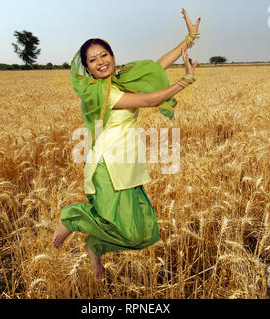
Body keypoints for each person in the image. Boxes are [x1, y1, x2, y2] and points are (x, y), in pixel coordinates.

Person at [53, 8, 201, 282]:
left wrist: (189, 40)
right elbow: (148, 101)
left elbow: (157, 66)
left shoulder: (119, 80)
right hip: (107, 167)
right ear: (86, 68)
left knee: (143, 233)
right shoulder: (100, 93)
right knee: (123, 226)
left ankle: (95, 246)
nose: (100, 62)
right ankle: (73, 218)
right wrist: (186, 81)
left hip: (127, 165)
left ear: (112, 56)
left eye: (104, 55)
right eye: (93, 60)